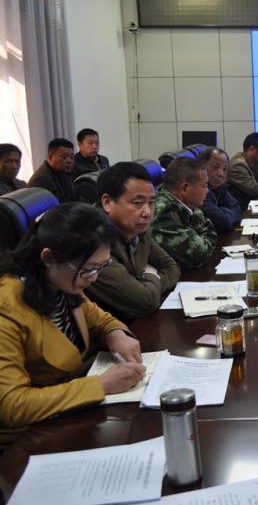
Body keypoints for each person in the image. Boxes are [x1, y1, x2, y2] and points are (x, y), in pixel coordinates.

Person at [0, 202, 145, 442]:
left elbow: (98, 318)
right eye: (88, 269)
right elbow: (12, 405)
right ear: (48, 257)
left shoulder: (59, 282)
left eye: (102, 267)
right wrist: (100, 385)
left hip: (69, 411)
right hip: (29, 438)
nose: (94, 278)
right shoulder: (7, 308)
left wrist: (115, 333)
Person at [85, 162, 180, 322]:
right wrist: (150, 274)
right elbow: (145, 302)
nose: (147, 212)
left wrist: (143, 286)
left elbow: (172, 268)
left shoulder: (137, 229)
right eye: (138, 203)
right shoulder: (94, 243)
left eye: (151, 203)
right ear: (107, 202)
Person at [151, 157, 217, 269]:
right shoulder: (163, 213)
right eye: (204, 185)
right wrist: (204, 237)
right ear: (185, 188)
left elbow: (206, 226)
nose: (207, 190)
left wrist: (202, 237)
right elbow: (199, 254)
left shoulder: (184, 203)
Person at [198, 147, 242, 233]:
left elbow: (237, 207)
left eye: (225, 169)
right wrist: (224, 211)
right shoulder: (199, 191)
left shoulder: (220, 186)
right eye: (215, 167)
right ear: (201, 166)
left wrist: (223, 211)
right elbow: (223, 222)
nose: (221, 174)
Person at [227, 132, 258, 207]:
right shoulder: (238, 165)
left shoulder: (255, 161)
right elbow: (254, 189)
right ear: (252, 149)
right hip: (241, 208)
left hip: (253, 203)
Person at [28, 138, 76, 203]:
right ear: (50, 157)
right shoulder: (41, 180)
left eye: (72, 157)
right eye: (64, 157)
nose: (69, 161)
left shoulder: (65, 173)